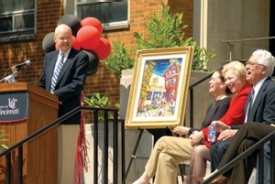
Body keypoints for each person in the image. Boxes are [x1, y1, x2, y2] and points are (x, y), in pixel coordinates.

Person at [132, 69, 232, 184]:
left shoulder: (225, 102)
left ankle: (145, 178)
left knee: (163, 142)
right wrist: (189, 131)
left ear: (223, 84)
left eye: (213, 79)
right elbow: (203, 130)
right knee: (165, 157)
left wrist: (188, 130)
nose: (210, 82)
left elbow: (213, 129)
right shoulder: (212, 106)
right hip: (198, 143)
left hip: (207, 147)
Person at [200, 49, 275, 184]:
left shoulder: (271, 88)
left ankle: (220, 171)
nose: (247, 66)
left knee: (244, 131)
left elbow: (268, 123)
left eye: (252, 64)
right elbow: (250, 125)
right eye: (247, 63)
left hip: (271, 134)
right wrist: (229, 128)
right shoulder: (253, 91)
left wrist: (236, 131)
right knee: (242, 144)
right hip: (252, 137)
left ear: (263, 69)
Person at [185, 61, 251, 184]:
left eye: (230, 78)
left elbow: (227, 121)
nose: (228, 83)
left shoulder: (243, 95)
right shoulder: (237, 96)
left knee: (210, 147)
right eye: (226, 79)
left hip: (238, 141)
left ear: (243, 78)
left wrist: (201, 134)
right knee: (199, 149)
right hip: (227, 138)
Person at [38, 24, 89, 184]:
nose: (66, 40)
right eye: (62, 37)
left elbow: (76, 84)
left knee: (65, 162)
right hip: (47, 117)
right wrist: (40, 97)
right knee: (50, 159)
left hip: (67, 115)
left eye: (68, 37)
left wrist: (52, 96)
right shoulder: (49, 57)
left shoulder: (80, 57)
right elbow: (43, 83)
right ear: (55, 39)